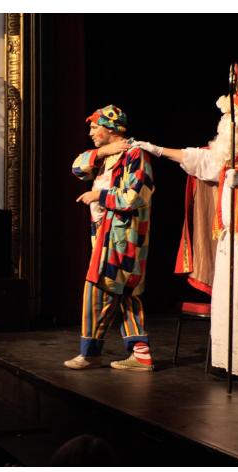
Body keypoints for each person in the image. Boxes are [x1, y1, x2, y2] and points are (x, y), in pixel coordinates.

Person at [133, 48, 238, 381]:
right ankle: (226, 361)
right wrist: (157, 149)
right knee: (226, 302)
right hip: (227, 237)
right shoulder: (232, 145)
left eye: (232, 114)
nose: (226, 121)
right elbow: (203, 161)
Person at [65, 105, 155, 371]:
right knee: (125, 293)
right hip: (106, 233)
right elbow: (77, 169)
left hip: (124, 236)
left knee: (99, 287)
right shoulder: (107, 157)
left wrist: (99, 196)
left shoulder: (135, 154)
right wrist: (103, 151)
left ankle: (91, 353)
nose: (91, 132)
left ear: (110, 128)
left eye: (95, 127)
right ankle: (140, 353)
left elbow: (137, 195)